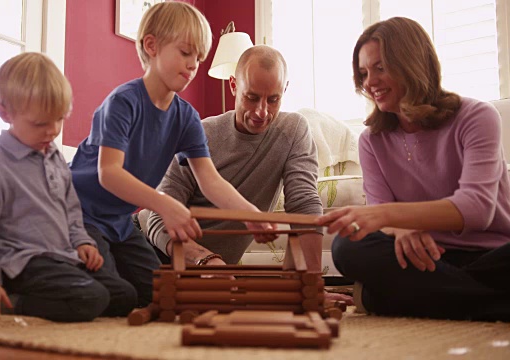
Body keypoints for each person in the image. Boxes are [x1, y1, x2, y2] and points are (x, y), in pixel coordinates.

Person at [69, 2, 275, 308]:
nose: (193, 64)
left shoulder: (186, 118)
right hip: (80, 217)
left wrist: (251, 216)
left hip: (120, 224)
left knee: (163, 295)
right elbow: (108, 173)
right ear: (151, 46)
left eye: (199, 57)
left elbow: (209, 180)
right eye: (185, 52)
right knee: (118, 297)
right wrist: (165, 204)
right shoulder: (123, 103)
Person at [316, 17, 510, 321]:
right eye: (364, 73)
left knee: (376, 295)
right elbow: (384, 216)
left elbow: (476, 209)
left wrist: (386, 217)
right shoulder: (371, 141)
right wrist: (398, 226)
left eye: (380, 68)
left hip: (493, 255)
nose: (369, 82)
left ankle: (395, 300)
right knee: (347, 246)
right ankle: (492, 304)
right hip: (426, 258)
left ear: (412, 62)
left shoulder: (476, 116)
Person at [0, 52, 137, 322]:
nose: (52, 131)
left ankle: (60, 295)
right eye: (40, 123)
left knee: (125, 295)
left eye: (59, 119)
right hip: (23, 265)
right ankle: (12, 303)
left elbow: (71, 212)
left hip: (64, 258)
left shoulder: (53, 158)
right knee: (92, 298)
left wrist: (83, 242)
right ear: (5, 112)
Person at [142, 45, 324, 270]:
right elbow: (159, 219)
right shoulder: (200, 134)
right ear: (234, 86)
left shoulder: (293, 130)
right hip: (151, 249)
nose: (262, 112)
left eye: (273, 100)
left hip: (211, 270)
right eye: (252, 97)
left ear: (285, 90)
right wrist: (208, 261)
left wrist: (313, 285)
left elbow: (303, 205)